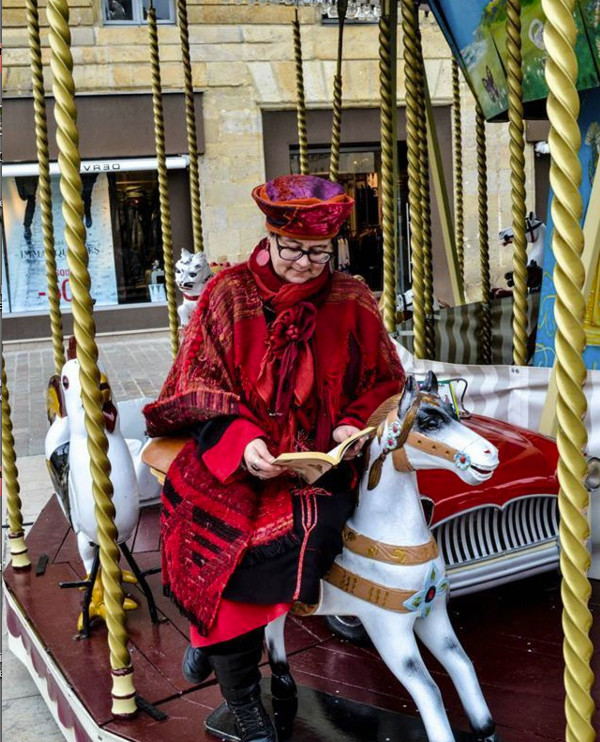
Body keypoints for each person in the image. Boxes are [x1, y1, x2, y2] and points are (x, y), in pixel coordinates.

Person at [143, 174, 405, 742]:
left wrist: (349, 423)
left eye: (318, 252)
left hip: (317, 463)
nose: (307, 263)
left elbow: (385, 379)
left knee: (304, 532)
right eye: (294, 250)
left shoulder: (352, 297)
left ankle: (204, 637)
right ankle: (244, 704)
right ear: (269, 237)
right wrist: (243, 441)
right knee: (213, 537)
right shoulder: (227, 293)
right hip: (234, 457)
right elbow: (195, 385)